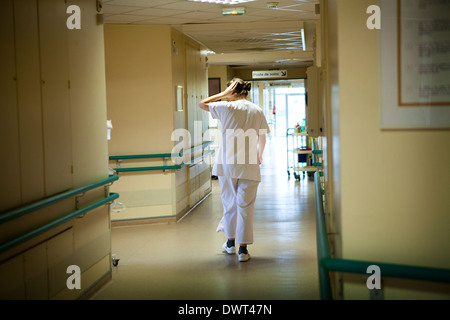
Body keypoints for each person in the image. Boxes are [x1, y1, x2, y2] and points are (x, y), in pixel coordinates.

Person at [199, 78, 270, 262]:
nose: (225, 90)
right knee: (245, 207)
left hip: (227, 164)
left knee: (229, 204)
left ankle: (230, 244)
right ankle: (243, 251)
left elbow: (202, 104)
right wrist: (259, 154)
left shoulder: (225, 107)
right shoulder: (257, 110)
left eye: (228, 86)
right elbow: (263, 138)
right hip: (249, 164)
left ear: (234, 90)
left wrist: (223, 95)